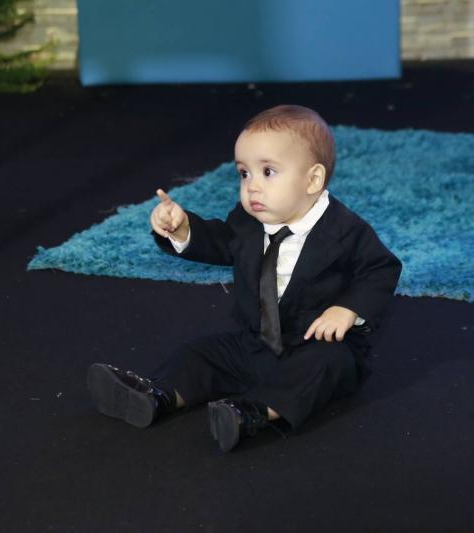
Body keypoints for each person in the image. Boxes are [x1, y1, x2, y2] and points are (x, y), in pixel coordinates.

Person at [87, 105, 401, 452]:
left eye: (268, 172)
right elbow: (222, 242)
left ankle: (253, 412)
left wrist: (348, 309)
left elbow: (381, 268)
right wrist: (183, 229)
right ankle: (158, 395)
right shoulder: (248, 221)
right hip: (255, 344)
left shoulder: (345, 230)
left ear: (313, 179)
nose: (252, 187)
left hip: (314, 346)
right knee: (200, 354)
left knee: (326, 366)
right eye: (244, 174)